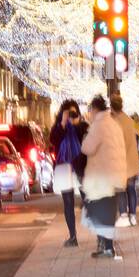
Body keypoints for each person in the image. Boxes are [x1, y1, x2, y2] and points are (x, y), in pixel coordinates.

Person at [80, 95, 128, 259]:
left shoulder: (98, 126)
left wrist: (86, 135)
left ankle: (106, 247)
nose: (90, 114)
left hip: (101, 177)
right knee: (106, 212)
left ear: (94, 109)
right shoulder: (114, 125)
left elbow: (87, 148)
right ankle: (106, 246)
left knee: (96, 210)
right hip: (113, 176)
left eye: (90, 111)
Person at [49, 99, 87, 246]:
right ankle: (73, 236)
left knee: (87, 198)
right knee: (68, 202)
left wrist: (78, 123)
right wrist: (63, 124)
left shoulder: (81, 126)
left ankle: (100, 234)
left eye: (73, 112)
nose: (71, 115)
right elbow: (53, 140)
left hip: (79, 166)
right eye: (68, 112)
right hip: (64, 168)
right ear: (62, 113)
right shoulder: (58, 128)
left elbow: (86, 137)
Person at [109, 94, 139, 225]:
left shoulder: (114, 122)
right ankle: (133, 216)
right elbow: (137, 137)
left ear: (112, 107)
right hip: (132, 161)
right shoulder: (129, 121)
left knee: (121, 190)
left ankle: (123, 215)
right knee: (131, 190)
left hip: (120, 162)